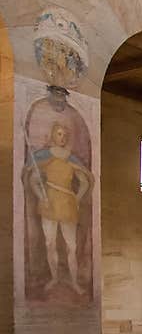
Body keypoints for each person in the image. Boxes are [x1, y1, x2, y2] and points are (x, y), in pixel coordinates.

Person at [24, 122, 92, 294]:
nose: (62, 138)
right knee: (49, 243)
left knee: (71, 245)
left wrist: (76, 199)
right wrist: (41, 196)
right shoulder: (45, 156)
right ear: (53, 135)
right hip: (48, 202)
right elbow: (33, 180)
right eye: (59, 134)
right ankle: (54, 278)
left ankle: (74, 281)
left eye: (64, 135)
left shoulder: (70, 158)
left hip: (67, 203)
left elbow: (84, 182)